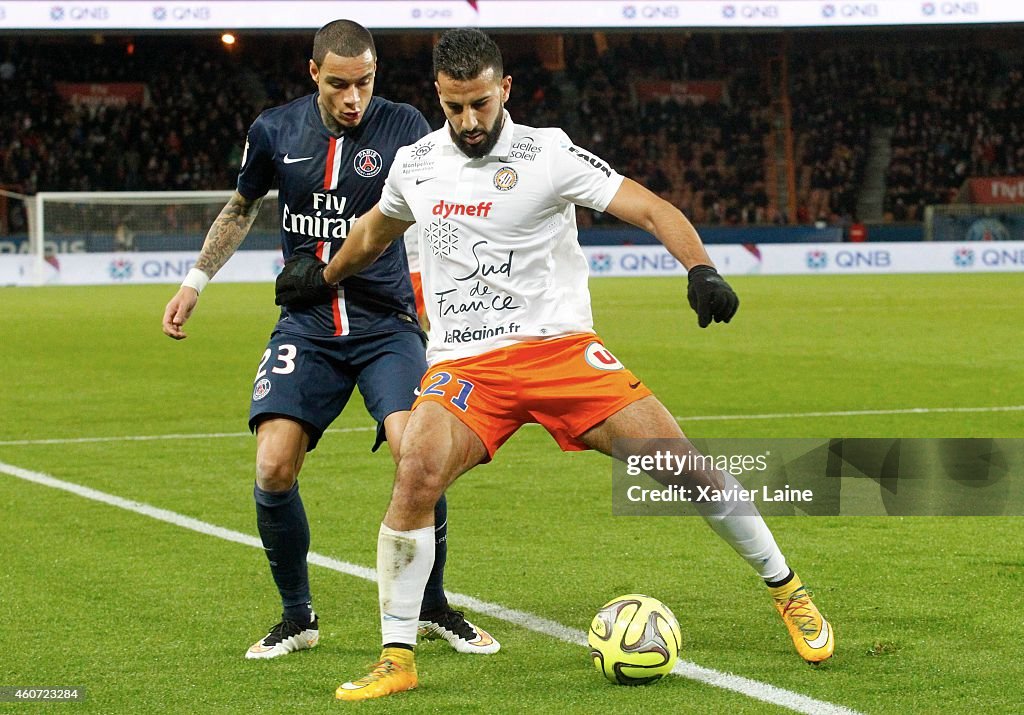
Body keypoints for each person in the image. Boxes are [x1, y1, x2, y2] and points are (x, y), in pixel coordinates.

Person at [276, 28, 833, 701]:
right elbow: (374, 229)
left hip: (561, 351)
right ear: (438, 96)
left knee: (685, 465)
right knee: (416, 466)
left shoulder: (549, 153)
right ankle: (397, 655)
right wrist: (327, 274)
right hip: (469, 364)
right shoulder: (417, 163)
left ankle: (788, 590)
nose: (470, 120)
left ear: (505, 89)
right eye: (455, 107)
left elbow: (651, 208)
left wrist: (701, 268)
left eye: (481, 103)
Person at [161, 20, 499, 661]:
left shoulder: (405, 128)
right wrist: (195, 281)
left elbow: (459, 191)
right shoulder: (274, 130)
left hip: (386, 326)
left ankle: (431, 605)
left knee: (419, 456)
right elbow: (242, 207)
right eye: (340, 84)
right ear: (314, 74)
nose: (354, 98)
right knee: (273, 465)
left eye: (365, 83)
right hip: (307, 326)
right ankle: (298, 618)